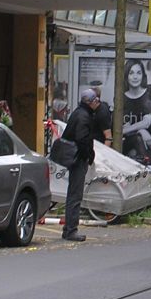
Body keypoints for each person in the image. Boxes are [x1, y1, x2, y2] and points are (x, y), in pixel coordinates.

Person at [60, 88, 99, 242]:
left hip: (73, 157)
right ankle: (71, 230)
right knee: (75, 195)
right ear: (90, 102)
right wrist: (88, 154)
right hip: (77, 159)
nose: (97, 103)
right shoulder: (84, 116)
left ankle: (68, 229)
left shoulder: (78, 112)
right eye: (96, 100)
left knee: (73, 194)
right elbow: (82, 139)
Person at [122, 58, 151, 165]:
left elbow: (147, 122)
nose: (135, 77)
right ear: (126, 75)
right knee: (138, 139)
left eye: (138, 73)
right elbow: (120, 129)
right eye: (131, 73)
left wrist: (128, 129)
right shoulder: (121, 98)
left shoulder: (150, 94)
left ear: (143, 75)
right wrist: (141, 130)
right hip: (127, 146)